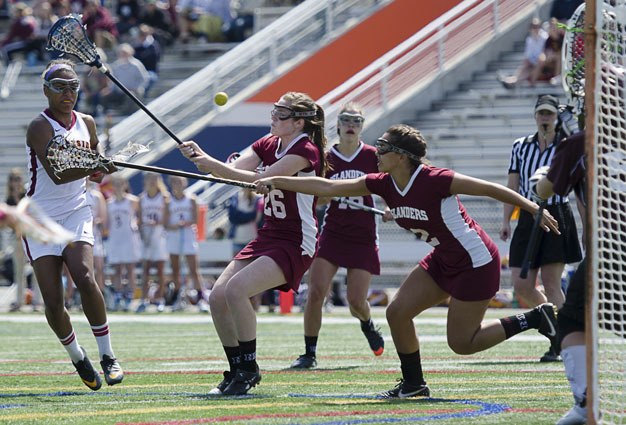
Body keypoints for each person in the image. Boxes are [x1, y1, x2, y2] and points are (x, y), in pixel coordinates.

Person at [255, 123, 560, 398]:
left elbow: (489, 188)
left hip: (475, 262)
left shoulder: (435, 179)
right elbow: (328, 188)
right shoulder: (383, 182)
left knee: (463, 343)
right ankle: (414, 384)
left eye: (384, 147)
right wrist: (278, 181)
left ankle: (533, 318)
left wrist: (533, 208)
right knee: (397, 313)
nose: (378, 151)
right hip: (443, 259)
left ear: (401, 156)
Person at [178, 91, 326, 396]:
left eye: (281, 114)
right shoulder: (268, 143)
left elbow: (260, 178)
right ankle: (237, 369)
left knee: (237, 290)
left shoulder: (305, 150)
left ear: (299, 122)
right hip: (269, 235)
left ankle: (248, 368)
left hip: (296, 240)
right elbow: (236, 171)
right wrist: (203, 160)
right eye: (274, 111)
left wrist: (213, 164)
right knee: (218, 297)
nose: (273, 117)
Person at [23, 59, 122, 390]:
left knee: (84, 277)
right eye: (60, 87)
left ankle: (108, 356)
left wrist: (101, 167)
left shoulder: (88, 123)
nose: (68, 93)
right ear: (46, 90)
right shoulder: (40, 126)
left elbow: (93, 170)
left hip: (77, 209)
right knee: (53, 300)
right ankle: (78, 356)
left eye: (73, 87)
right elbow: (58, 172)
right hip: (40, 218)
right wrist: (97, 164)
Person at [290, 103, 388, 370]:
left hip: (363, 235)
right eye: (346, 119)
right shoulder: (326, 157)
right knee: (316, 292)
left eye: (356, 121)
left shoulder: (372, 156)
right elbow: (316, 198)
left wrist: (391, 207)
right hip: (333, 233)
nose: (350, 125)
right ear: (338, 124)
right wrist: (329, 193)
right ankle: (309, 353)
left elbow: (392, 186)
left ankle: (367, 324)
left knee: (356, 301)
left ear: (362, 126)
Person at [499, 94, 582, 362]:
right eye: (541, 114)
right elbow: (512, 186)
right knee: (521, 284)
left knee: (551, 281)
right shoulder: (520, 146)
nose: (545, 118)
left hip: (557, 213)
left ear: (556, 118)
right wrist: (505, 220)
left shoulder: (566, 145)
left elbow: (576, 187)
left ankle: (564, 338)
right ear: (535, 116)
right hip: (527, 213)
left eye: (549, 114)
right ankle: (558, 330)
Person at [531, 129, 587, 425]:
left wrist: (541, 177)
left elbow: (545, 190)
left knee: (572, 322)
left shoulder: (582, 141)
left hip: (614, 248)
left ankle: (585, 403)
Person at [164, 175, 208, 312]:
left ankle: (201, 298)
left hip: (188, 236)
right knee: (175, 269)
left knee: (193, 268)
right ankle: (177, 298)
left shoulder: (191, 199)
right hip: (174, 237)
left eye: (180, 182)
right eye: (175, 182)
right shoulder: (168, 202)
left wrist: (184, 224)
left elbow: (195, 219)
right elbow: (166, 223)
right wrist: (175, 225)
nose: (178, 185)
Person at [106, 174, 141, 312]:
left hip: (129, 237)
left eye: (120, 183)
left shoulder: (132, 201)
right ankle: (118, 296)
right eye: (115, 184)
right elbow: (107, 223)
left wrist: (136, 224)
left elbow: (139, 218)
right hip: (116, 238)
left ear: (125, 185)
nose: (118, 186)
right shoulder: (109, 203)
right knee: (117, 269)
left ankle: (131, 297)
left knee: (130, 268)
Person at [136, 172, 169, 313]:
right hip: (147, 237)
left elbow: (167, 219)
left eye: (154, 179)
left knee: (160, 270)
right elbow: (138, 219)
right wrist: (144, 224)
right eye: (149, 179)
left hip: (160, 236)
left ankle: (159, 299)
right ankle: (144, 299)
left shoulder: (164, 198)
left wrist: (157, 222)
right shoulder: (142, 198)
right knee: (146, 270)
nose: (151, 182)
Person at [227, 187, 264, 311]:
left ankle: (255, 302)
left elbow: (256, 217)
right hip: (237, 240)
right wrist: (247, 216)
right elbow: (233, 216)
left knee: (256, 274)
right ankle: (241, 303)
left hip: (253, 240)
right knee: (235, 274)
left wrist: (241, 216)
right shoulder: (235, 197)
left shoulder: (258, 199)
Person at [497, 17, 548, 89]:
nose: (535, 29)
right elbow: (528, 55)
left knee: (537, 61)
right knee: (525, 65)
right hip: (534, 61)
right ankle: (511, 80)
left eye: (537, 27)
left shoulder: (545, 37)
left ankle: (512, 81)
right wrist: (530, 61)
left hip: (544, 61)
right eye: (533, 27)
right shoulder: (529, 39)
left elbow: (545, 51)